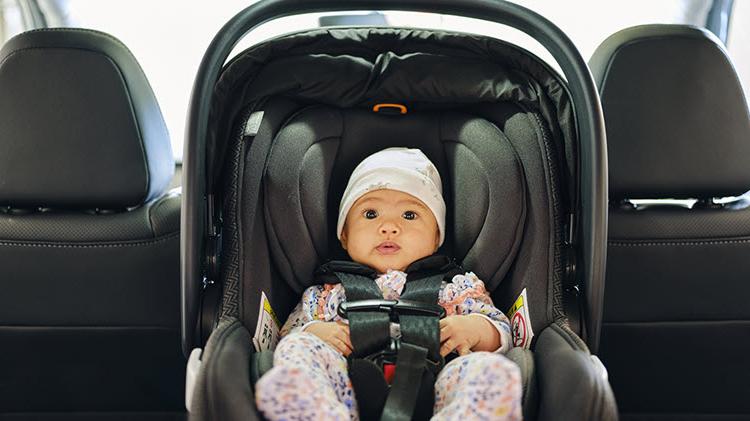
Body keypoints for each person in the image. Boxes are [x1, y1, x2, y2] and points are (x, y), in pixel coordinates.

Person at [255, 148, 522, 420]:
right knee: (298, 350)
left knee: (488, 370)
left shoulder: (457, 289)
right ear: (344, 236)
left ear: (435, 237)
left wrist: (475, 329)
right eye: (371, 214)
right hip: (343, 386)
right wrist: (315, 332)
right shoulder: (325, 294)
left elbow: (502, 330)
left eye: (409, 215)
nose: (389, 226)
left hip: (439, 383)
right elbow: (289, 335)